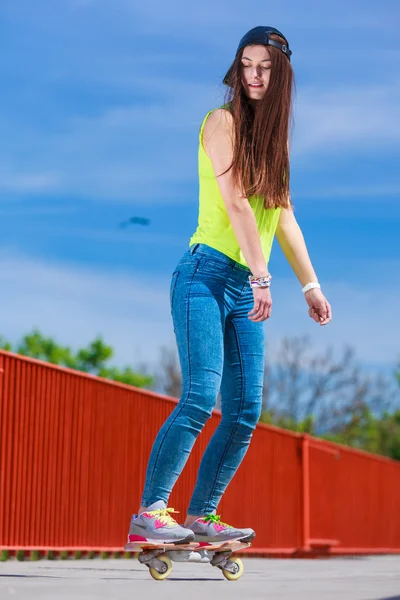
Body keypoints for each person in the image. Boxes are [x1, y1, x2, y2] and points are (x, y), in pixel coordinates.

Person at [128, 26, 332, 546]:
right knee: (199, 396)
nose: (254, 75)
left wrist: (310, 284)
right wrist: (265, 277)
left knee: (244, 411)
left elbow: (283, 218)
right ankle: (151, 512)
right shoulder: (221, 123)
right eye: (246, 64)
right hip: (205, 274)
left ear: (281, 72)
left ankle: (202, 515)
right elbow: (238, 202)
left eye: (264, 66)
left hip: (245, 285)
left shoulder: (275, 144)